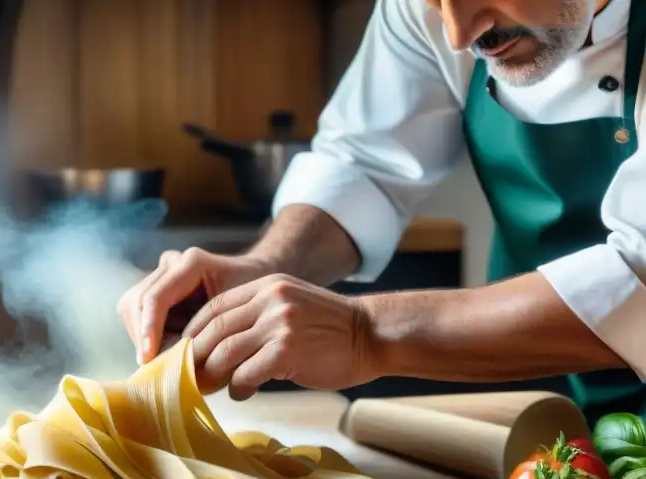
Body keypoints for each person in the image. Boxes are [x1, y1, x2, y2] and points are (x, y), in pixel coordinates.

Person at [117, 0, 646, 425]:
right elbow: (365, 165)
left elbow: (636, 276)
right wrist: (266, 266)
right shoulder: (434, 12)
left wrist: (365, 333)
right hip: (543, 413)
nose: (459, 33)